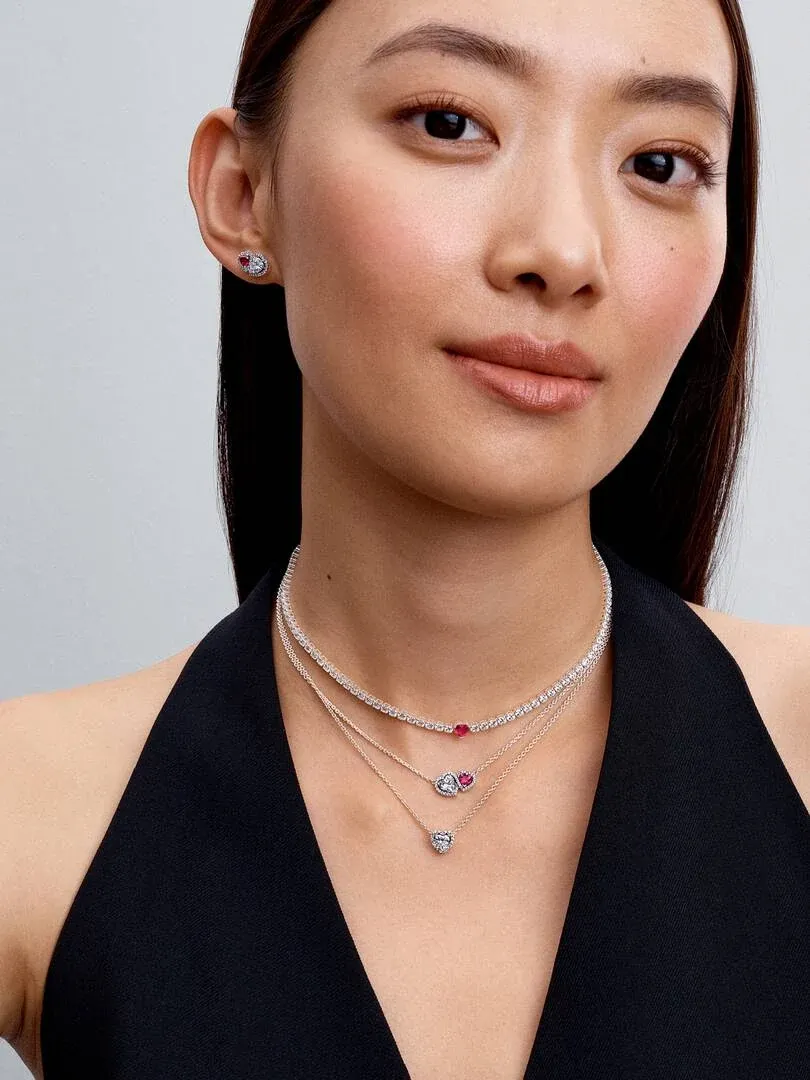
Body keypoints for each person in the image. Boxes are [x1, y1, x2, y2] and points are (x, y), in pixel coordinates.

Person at [2, 0, 808, 1076]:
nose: (563, 252)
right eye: (447, 122)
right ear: (245, 197)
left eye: (660, 162)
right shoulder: (34, 809)